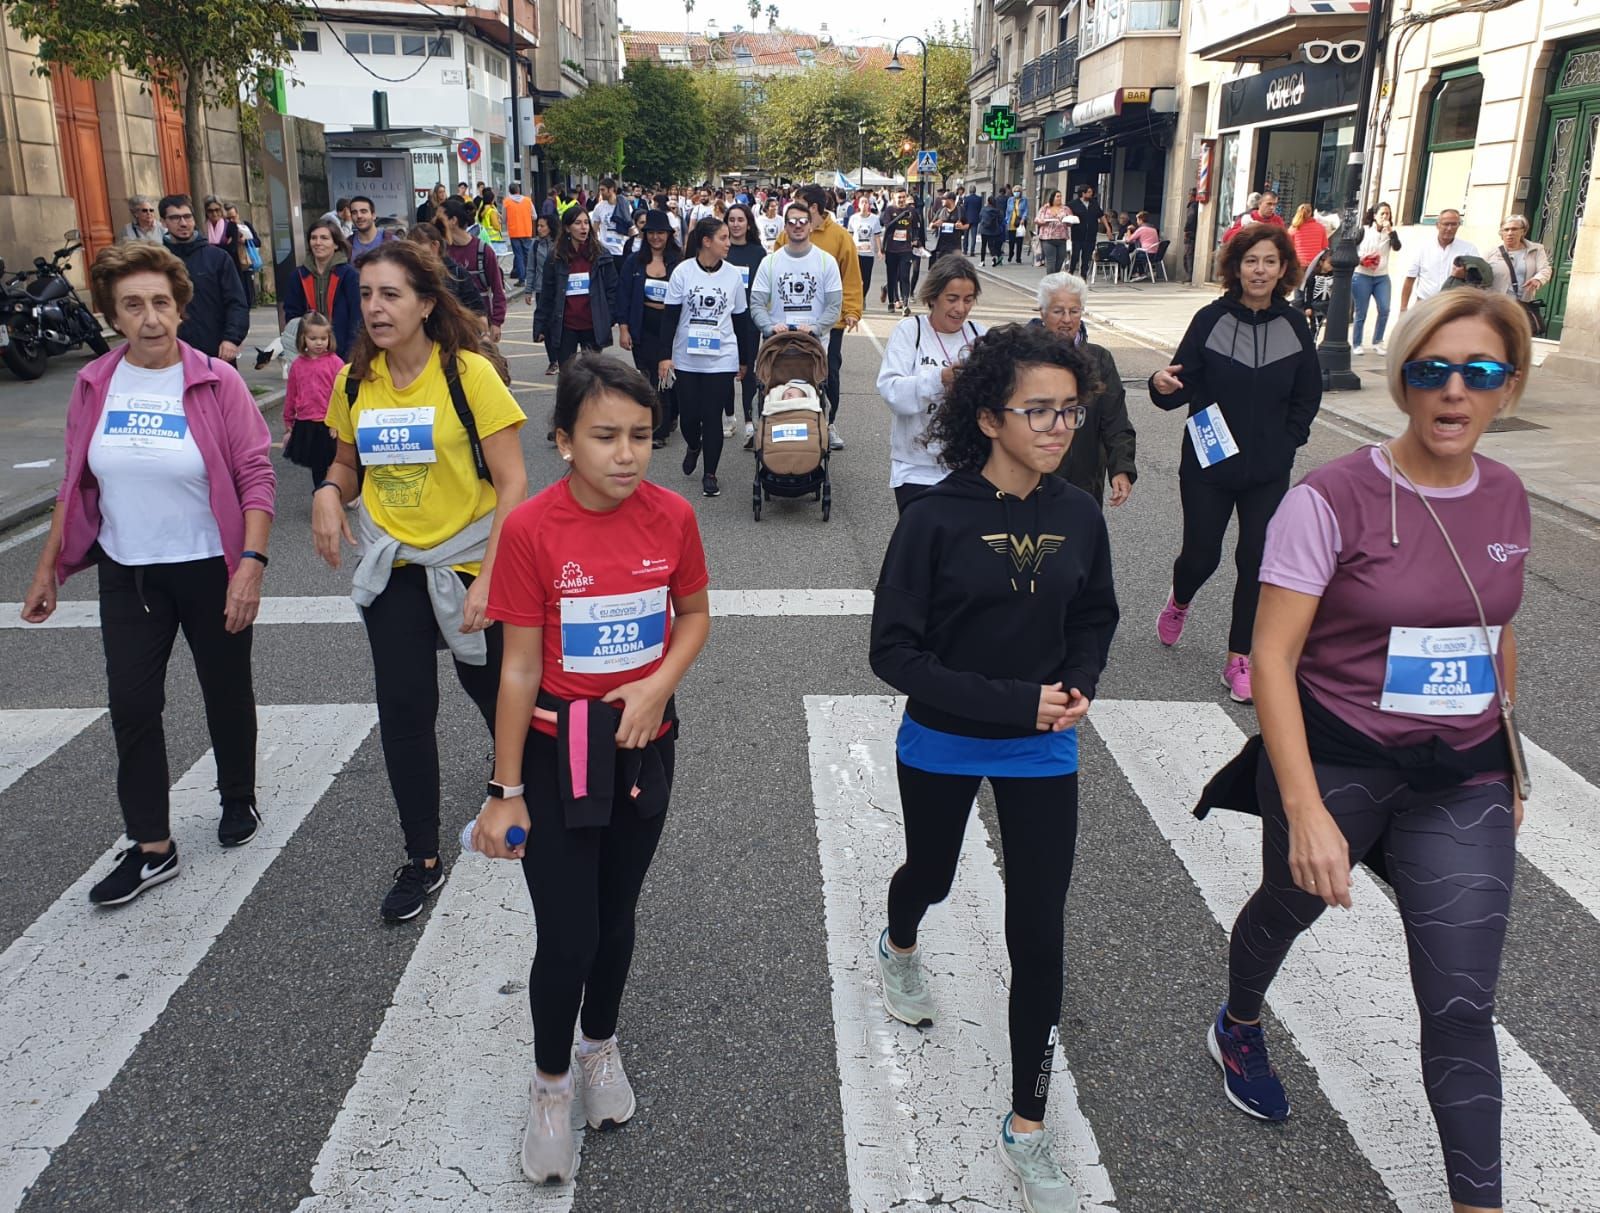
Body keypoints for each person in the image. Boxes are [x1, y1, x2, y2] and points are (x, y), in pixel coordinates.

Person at [1204, 290, 1533, 1213]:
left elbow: (1497, 625)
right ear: (1404, 381)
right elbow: (1271, 656)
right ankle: (1238, 1021)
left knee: (1462, 1010)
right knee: (1286, 904)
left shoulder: (1505, 493)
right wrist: (1304, 808)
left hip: (1460, 773)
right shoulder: (1332, 498)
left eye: (1480, 372)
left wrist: (1509, 754)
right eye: (1432, 370)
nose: (1455, 392)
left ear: (1507, 388)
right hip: (1339, 758)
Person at [869, 321, 1118, 1213]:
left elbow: (1094, 615)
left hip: (1044, 747)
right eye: (1039, 410)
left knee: (1039, 928)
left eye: (1069, 409)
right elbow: (893, 654)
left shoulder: (1080, 513)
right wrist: (1014, 700)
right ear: (987, 419)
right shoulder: (934, 519)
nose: (1059, 426)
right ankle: (899, 945)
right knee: (930, 875)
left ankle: (1028, 1123)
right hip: (942, 736)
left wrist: (1080, 680)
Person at [479, 353, 712, 1186]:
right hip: (555, 749)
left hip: (644, 743)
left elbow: (692, 615)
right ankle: (550, 1085)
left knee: (617, 918)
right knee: (568, 931)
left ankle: (600, 1045)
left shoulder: (673, 517)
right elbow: (515, 668)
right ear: (563, 439)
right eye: (604, 435)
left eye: (641, 436)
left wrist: (656, 685)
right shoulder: (532, 529)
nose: (626, 454)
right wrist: (504, 790)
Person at [21, 241, 275, 904]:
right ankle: (152, 844)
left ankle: (238, 795)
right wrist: (48, 567)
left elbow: (255, 475)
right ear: (112, 313)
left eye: (161, 302)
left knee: (225, 688)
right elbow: (74, 480)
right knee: (132, 704)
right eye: (133, 305)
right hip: (127, 570)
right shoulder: (94, 383)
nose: (151, 318)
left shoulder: (217, 382)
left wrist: (250, 563)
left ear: (181, 307)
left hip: (206, 566)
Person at [311, 240, 528, 923]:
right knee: (405, 710)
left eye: (391, 294)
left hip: (469, 558)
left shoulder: (467, 375)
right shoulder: (355, 382)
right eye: (366, 294)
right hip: (394, 566)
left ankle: (519, 790)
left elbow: (515, 481)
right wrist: (326, 490)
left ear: (426, 304)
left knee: (495, 693)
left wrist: (492, 576)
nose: (375, 307)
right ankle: (422, 857)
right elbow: (347, 467)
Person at [1149, 224, 1321, 704]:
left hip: (1267, 469)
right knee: (1203, 555)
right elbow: (1176, 383)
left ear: (1283, 268)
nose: (1259, 270)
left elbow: (1308, 396)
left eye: (1269, 261)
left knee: (1256, 561)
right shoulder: (1210, 319)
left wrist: (1288, 443)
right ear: (1236, 267)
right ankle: (1180, 597)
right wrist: (1160, 384)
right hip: (1209, 460)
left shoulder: (1295, 326)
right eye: (1251, 261)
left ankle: (1238, 658)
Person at [874, 254, 986, 513]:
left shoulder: (980, 335)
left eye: (968, 300)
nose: (961, 308)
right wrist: (941, 379)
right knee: (924, 550)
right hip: (916, 469)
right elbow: (892, 392)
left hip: (967, 466)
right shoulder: (910, 331)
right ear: (933, 297)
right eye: (952, 299)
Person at [658, 216, 755, 499]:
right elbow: (670, 318)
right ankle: (693, 445)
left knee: (712, 416)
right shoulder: (683, 272)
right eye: (723, 238)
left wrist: (744, 359)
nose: (728, 243)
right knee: (689, 416)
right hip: (686, 357)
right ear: (706, 241)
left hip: (721, 357)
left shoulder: (733, 275)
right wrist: (665, 356)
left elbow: (740, 320)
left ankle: (710, 473)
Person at [1034, 272, 1136, 508]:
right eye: (1058, 311)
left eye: (1074, 311)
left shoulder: (1099, 359)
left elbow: (1115, 419)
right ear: (1043, 313)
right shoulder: (1023, 357)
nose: (1067, 319)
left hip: (1085, 481)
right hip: (1032, 479)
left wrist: (1121, 468)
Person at [786, 184, 862, 451]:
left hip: (830, 321)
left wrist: (852, 310)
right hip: (792, 318)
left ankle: (828, 424)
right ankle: (791, 419)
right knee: (790, 370)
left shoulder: (840, 237)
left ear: (813, 208)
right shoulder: (788, 234)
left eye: (798, 202)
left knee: (828, 371)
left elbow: (851, 277)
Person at [533, 205, 620, 386]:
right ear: (566, 228)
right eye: (578, 223)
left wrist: (609, 316)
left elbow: (612, 289)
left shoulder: (601, 254)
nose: (584, 228)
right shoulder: (555, 257)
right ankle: (569, 412)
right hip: (566, 326)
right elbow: (547, 294)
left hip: (592, 324)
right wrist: (540, 325)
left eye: (586, 223)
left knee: (594, 377)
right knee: (568, 378)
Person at [617, 210, 683, 448]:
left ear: (669, 234)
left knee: (664, 376)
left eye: (661, 233)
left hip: (670, 325)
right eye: (652, 233)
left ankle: (661, 429)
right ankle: (661, 419)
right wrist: (623, 329)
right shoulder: (634, 262)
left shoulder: (680, 260)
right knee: (650, 376)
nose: (656, 237)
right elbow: (623, 296)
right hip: (642, 323)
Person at [160, 194, 248, 363]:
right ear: (164, 222)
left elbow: (237, 302)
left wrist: (232, 338)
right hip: (172, 352)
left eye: (187, 216)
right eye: (175, 218)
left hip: (216, 350)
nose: (183, 223)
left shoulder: (217, 258)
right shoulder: (157, 261)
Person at [751, 202, 843, 338]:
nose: (798, 225)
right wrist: (769, 327)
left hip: (814, 347)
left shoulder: (827, 261)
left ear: (811, 226)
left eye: (803, 221)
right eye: (792, 222)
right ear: (785, 227)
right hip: (778, 345)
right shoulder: (769, 262)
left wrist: (816, 328)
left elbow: (834, 306)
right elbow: (757, 303)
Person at [284, 217, 362, 359]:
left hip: (344, 351)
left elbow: (357, 316)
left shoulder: (349, 275)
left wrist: (352, 352)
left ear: (336, 244)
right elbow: (292, 316)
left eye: (324, 238)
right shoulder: (298, 275)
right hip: (308, 352)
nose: (318, 243)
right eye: (314, 238)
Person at [282, 311, 343, 487]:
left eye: (324, 338)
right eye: (313, 338)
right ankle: (320, 493)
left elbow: (341, 395)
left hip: (329, 423)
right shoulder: (298, 366)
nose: (319, 342)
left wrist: (337, 422)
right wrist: (288, 420)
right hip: (307, 423)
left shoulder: (336, 363)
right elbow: (292, 394)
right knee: (317, 465)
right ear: (303, 338)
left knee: (336, 462)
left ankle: (340, 490)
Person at [724, 203, 767, 440]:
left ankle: (750, 421)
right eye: (732, 220)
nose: (736, 224)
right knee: (725, 370)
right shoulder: (722, 249)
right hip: (723, 321)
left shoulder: (758, 253)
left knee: (749, 371)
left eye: (741, 220)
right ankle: (729, 417)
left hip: (749, 322)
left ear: (748, 223)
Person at [440, 197, 507, 341]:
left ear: (453, 221)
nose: (435, 223)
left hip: (479, 325)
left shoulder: (483, 251)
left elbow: (498, 289)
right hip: (450, 326)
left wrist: (496, 323)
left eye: (440, 218)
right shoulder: (441, 252)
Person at [1402, 208, 1481, 310]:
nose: (1449, 228)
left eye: (1454, 224)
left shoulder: (1468, 249)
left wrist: (1465, 275)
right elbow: (1410, 278)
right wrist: (1403, 308)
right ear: (1437, 225)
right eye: (1446, 224)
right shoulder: (1423, 248)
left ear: (1459, 225)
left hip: (1454, 306)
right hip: (1425, 304)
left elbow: (1479, 279)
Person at [406, 222, 487, 319]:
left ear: (435, 246)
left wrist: (484, 332)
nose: (415, 256)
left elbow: (478, 311)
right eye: (411, 252)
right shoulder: (409, 276)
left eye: (419, 251)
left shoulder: (457, 274)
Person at [1352, 202, 1402, 356]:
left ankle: (1378, 341)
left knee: (1385, 308)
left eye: (1387, 214)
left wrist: (1391, 232)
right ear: (1374, 216)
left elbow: (1397, 247)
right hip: (1362, 275)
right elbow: (1350, 249)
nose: (1385, 217)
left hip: (1381, 276)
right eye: (1382, 214)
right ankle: (1357, 343)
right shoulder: (1364, 231)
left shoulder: (1390, 233)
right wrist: (1360, 259)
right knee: (1361, 311)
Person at [1488, 213, 1553, 308]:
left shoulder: (1536, 249)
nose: (1510, 233)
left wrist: (1537, 279)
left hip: (1522, 304)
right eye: (1506, 230)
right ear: (1501, 233)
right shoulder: (1492, 252)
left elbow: (1545, 269)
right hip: (1496, 304)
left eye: (1514, 229)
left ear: (1523, 231)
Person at [879, 187, 925, 317]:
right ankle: (892, 302)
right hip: (892, 249)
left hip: (906, 249)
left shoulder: (911, 211)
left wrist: (915, 239)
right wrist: (900, 216)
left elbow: (916, 227)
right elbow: (888, 226)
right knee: (892, 276)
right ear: (894, 197)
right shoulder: (889, 210)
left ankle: (905, 304)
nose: (901, 200)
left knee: (905, 276)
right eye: (899, 197)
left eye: (903, 197)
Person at [1067, 185, 1110, 279]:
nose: (1091, 194)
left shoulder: (1094, 203)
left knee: (1086, 257)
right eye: (1089, 192)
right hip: (1078, 234)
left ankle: (1083, 276)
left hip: (1090, 235)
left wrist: (1108, 228)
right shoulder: (1073, 204)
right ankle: (1071, 273)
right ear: (1083, 193)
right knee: (1075, 255)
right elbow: (1068, 216)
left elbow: (1101, 215)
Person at [847, 195, 882, 303]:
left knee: (866, 278)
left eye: (866, 202)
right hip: (856, 253)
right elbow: (850, 235)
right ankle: (857, 298)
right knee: (856, 278)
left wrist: (880, 250)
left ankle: (863, 296)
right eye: (862, 202)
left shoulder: (874, 219)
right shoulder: (854, 218)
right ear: (858, 205)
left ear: (869, 205)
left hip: (869, 253)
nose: (864, 204)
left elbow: (877, 236)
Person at [1294, 248, 1335, 340]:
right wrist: (1307, 306)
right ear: (1321, 262)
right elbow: (1307, 292)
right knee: (1315, 327)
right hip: (1315, 305)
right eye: (1329, 263)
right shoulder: (1313, 276)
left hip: (1328, 305)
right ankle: (1311, 345)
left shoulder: (1333, 276)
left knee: (1330, 327)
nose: (1331, 266)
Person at [1221, 189, 1286, 245]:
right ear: (1260, 204)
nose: (1272, 207)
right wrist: (1246, 228)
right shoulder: (1247, 217)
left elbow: (1284, 242)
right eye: (1269, 204)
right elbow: (1226, 238)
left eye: (1274, 204)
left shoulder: (1278, 221)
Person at [504, 182, 535, 284]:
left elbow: (504, 219)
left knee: (519, 256)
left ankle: (522, 279)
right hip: (526, 231)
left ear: (510, 191)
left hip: (514, 232)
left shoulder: (507, 202)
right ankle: (530, 277)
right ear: (519, 190)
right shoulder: (528, 201)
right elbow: (535, 216)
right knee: (528, 255)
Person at [1036, 191, 1073, 275]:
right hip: (1048, 238)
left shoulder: (1066, 209)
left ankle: (1055, 277)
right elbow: (1037, 220)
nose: (1059, 198)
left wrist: (1068, 221)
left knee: (1060, 260)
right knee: (1051, 261)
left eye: (1060, 196)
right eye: (1057, 196)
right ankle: (1050, 280)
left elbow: (1070, 222)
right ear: (1052, 197)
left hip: (1061, 238)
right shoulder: (1045, 208)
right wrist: (1044, 222)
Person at [1288, 203, 1329, 276]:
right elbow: (1325, 246)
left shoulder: (1294, 228)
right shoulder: (1320, 227)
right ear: (1311, 213)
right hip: (1315, 265)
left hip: (1298, 264)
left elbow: (1288, 247)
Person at [930, 192, 969, 269]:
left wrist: (962, 226)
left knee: (955, 269)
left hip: (955, 247)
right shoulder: (941, 210)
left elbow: (967, 225)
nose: (942, 201)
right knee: (941, 270)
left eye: (944, 199)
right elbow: (930, 225)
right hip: (942, 247)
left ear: (951, 200)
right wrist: (935, 225)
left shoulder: (960, 210)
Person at [348, 196, 393, 261]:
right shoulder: (347, 245)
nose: (359, 216)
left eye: (363, 211)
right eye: (354, 213)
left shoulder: (391, 241)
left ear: (373, 215)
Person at [1126, 212, 1161, 280]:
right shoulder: (1153, 229)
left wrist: (1129, 230)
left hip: (1146, 254)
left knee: (1133, 256)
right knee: (1137, 253)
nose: (1137, 221)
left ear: (1141, 220)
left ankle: (1134, 274)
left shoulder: (1141, 229)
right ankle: (1142, 273)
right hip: (1155, 254)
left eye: (1137, 220)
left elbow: (1128, 240)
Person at [1004, 186, 1030, 264]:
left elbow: (1026, 210)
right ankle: (1011, 253)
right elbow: (1007, 211)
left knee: (1019, 242)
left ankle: (1018, 258)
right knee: (1011, 241)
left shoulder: (1024, 200)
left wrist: (1023, 218)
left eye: (1018, 191)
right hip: (1011, 223)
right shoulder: (1010, 200)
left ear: (1021, 192)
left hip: (1020, 223)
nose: (1016, 192)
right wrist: (1006, 220)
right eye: (1015, 191)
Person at [977, 194, 1005, 266]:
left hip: (984, 230)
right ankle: (993, 258)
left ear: (988, 201)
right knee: (991, 245)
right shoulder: (997, 211)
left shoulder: (984, 209)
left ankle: (982, 261)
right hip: (993, 230)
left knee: (983, 245)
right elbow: (1001, 220)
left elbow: (980, 217)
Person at [961, 185, 983, 256]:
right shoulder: (979, 198)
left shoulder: (966, 198)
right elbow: (980, 208)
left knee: (966, 236)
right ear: (975, 190)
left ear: (970, 191)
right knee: (974, 237)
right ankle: (972, 251)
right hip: (975, 219)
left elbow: (964, 209)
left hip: (967, 219)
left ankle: (965, 250)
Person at [1183, 188, 1200, 281]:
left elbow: (1190, 218)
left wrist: (1186, 230)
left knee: (1188, 255)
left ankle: (1189, 275)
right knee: (1189, 254)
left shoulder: (1193, 206)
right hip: (1193, 233)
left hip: (1190, 233)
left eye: (1189, 195)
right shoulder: (1196, 205)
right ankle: (1189, 274)